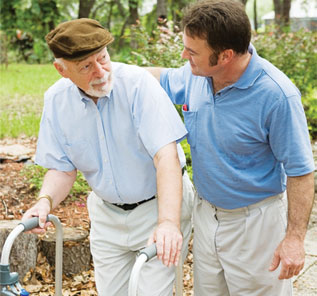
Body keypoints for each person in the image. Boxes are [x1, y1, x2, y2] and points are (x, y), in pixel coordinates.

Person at [146, 0, 315, 295]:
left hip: (256, 225)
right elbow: (156, 78)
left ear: (224, 56)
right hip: (207, 214)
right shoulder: (195, 75)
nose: (184, 56)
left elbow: (301, 171)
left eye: (192, 51)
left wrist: (294, 239)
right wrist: (104, 69)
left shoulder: (277, 95)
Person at [22, 18, 194, 296]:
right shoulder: (56, 101)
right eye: (86, 67)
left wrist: (168, 224)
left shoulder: (138, 85)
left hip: (158, 207)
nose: (101, 71)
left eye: (103, 58)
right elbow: (63, 170)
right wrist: (44, 202)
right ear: (61, 69)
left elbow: (167, 158)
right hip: (106, 214)